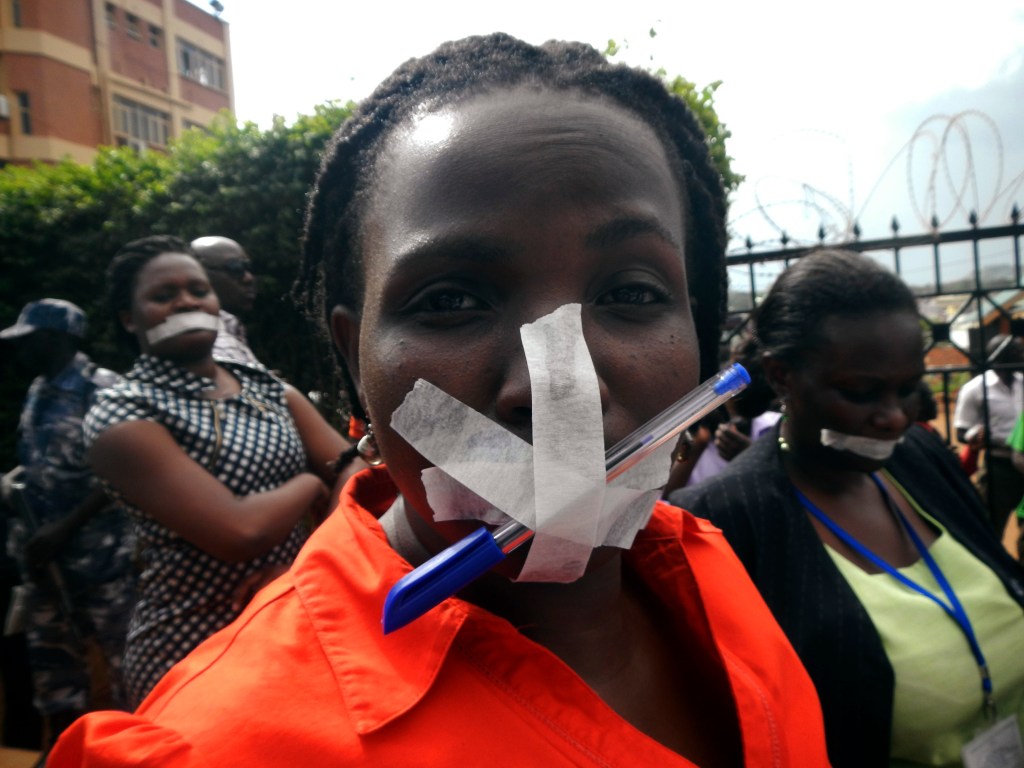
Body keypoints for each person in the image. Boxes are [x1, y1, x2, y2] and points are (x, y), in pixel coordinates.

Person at [49, 35, 829, 766]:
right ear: (355, 361)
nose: (562, 388)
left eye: (631, 292)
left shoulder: (711, 567)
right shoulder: (212, 748)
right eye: (452, 300)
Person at [670, 250, 1024, 767]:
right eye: (861, 393)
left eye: (908, 389)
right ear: (783, 377)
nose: (894, 418)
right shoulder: (726, 521)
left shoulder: (920, 457)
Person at [73, 235, 349, 708]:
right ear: (129, 318)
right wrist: (310, 483)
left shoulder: (265, 387)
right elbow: (242, 531)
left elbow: (355, 472)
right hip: (195, 647)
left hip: (298, 614)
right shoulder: (122, 415)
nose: (186, 302)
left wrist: (304, 568)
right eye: (164, 295)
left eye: (198, 290)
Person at [0, 299, 135, 755]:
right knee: (55, 681)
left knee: (125, 678)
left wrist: (64, 527)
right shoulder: (39, 389)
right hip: (43, 566)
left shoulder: (104, 389)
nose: (21, 351)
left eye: (30, 340)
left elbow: (125, 471)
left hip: (101, 564)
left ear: (58, 339)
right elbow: (41, 462)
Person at [954, 334, 1024, 534]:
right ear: (1002, 355)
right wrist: (977, 436)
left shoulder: (1022, 382)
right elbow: (961, 431)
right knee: (989, 529)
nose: (1022, 355)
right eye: (1018, 352)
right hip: (998, 468)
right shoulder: (975, 389)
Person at [189, 235, 260, 364]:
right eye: (235, 268)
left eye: (248, 268)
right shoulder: (207, 342)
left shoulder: (231, 327)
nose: (248, 278)